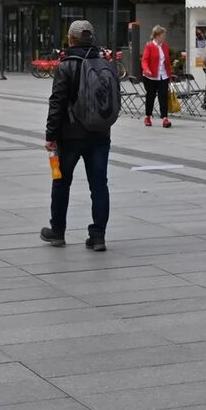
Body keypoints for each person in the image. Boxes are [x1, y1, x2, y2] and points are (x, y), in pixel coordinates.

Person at [42, 20, 117, 252]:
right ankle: (98, 236)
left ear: (71, 39)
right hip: (100, 133)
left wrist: (50, 135)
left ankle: (58, 232)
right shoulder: (106, 64)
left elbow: (57, 103)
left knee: (62, 182)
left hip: (71, 134)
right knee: (99, 184)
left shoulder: (66, 66)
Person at [141, 25, 172, 128]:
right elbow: (144, 60)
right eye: (163, 35)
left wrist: (170, 76)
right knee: (150, 96)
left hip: (163, 76)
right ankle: (148, 117)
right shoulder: (149, 46)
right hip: (150, 77)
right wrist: (147, 69)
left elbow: (167, 62)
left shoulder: (165, 46)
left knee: (163, 97)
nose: (165, 37)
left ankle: (165, 118)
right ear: (157, 36)